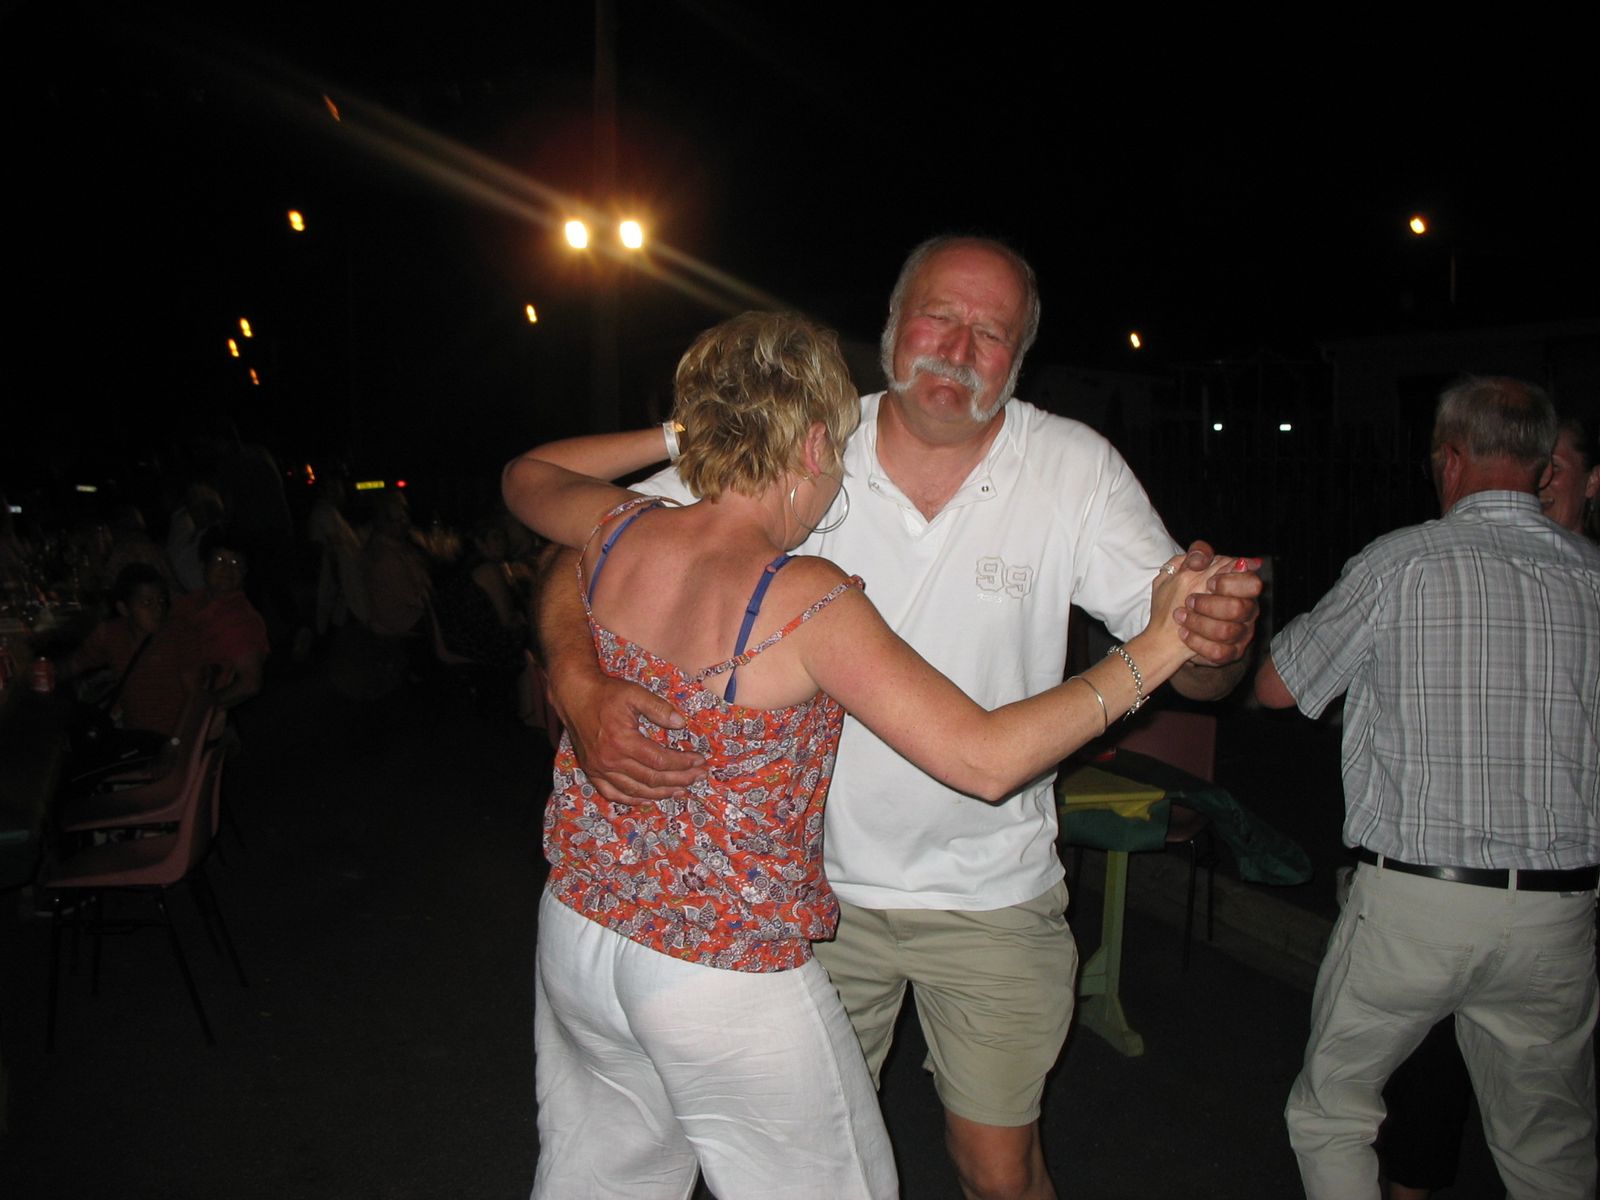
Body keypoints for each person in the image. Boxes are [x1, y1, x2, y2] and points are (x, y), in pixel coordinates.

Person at [535, 238, 1263, 1200]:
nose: (958, 349)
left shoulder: (1073, 468)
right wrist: (577, 679)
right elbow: (582, 543)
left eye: (991, 333)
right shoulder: (809, 441)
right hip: (804, 900)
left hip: (985, 891)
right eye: (939, 317)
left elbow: (562, 500)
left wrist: (1207, 639)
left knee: (995, 1172)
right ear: (890, 328)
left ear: (1020, 357)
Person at [1256, 377, 1600, 1199]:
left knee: (1334, 1114)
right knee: (1548, 1148)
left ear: (1450, 459)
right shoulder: (1592, 576)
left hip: (1418, 906)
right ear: (1540, 467)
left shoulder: (1400, 561)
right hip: (1558, 914)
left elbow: (1276, 686)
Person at [169, 531, 269, 710]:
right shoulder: (190, 602)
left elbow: (250, 683)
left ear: (244, 572)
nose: (227, 570)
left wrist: (201, 709)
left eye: (236, 563)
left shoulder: (240, 619)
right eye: (220, 560)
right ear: (204, 565)